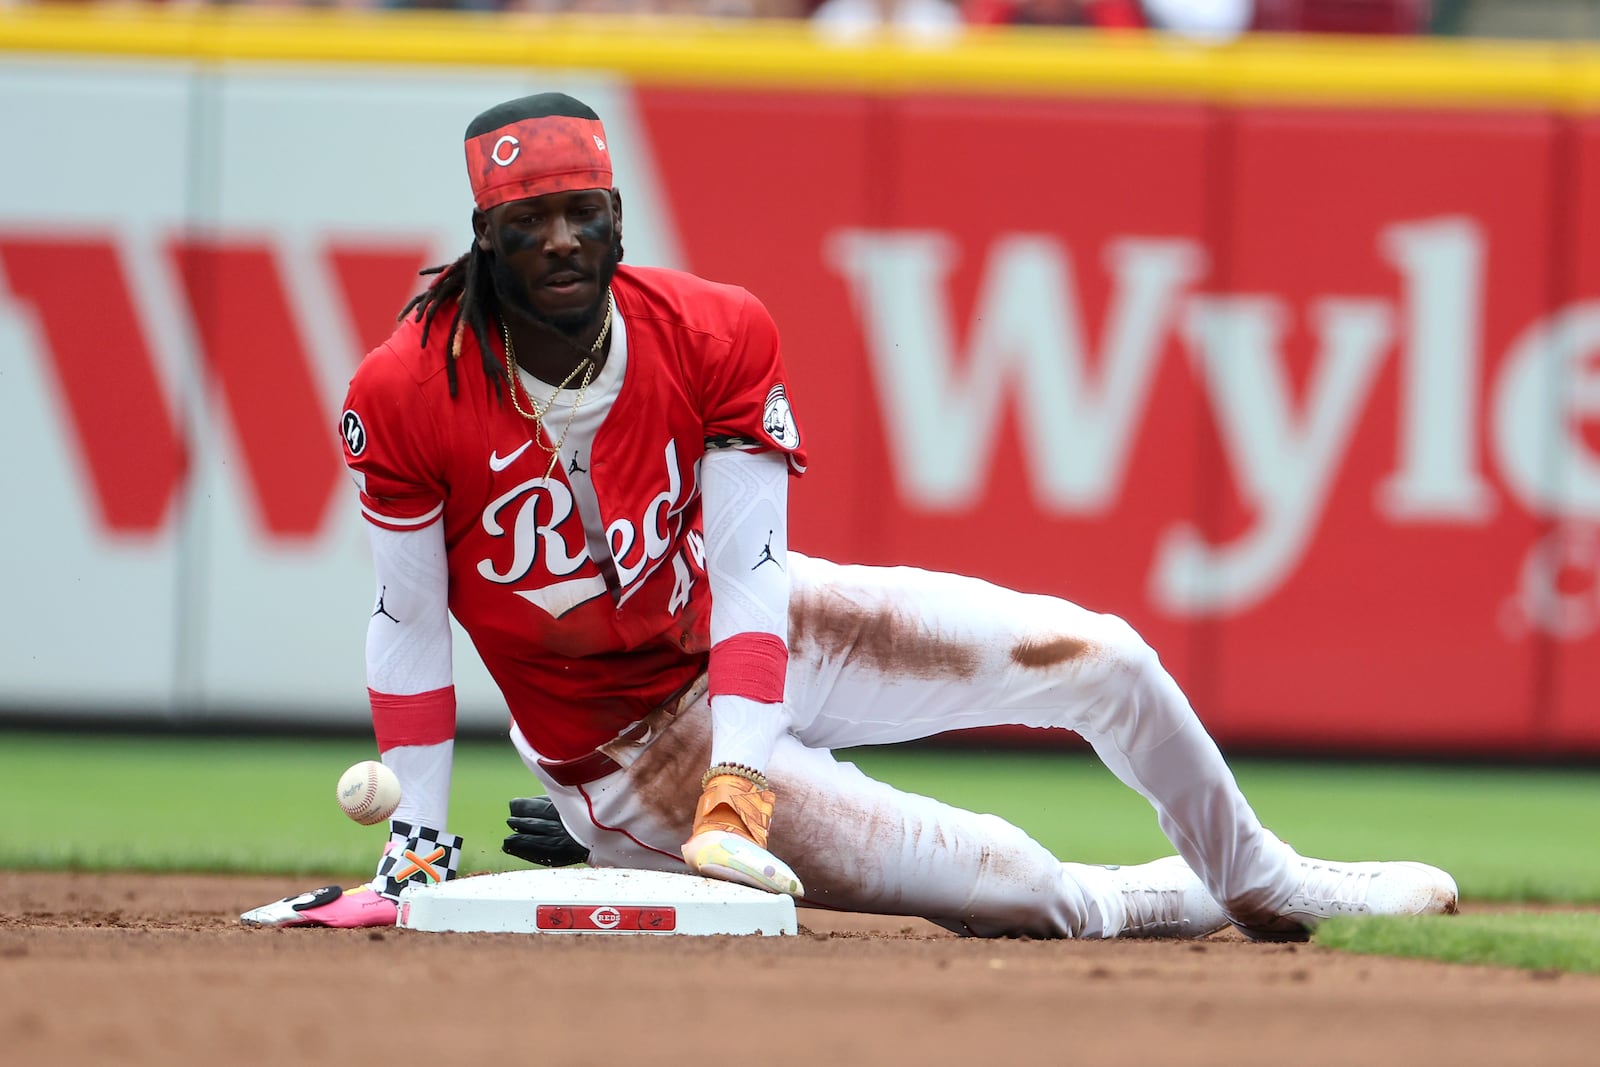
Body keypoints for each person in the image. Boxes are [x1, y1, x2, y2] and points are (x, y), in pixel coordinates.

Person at [242, 91, 1458, 940]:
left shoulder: (712, 329)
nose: (559, 241)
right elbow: (406, 616)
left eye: (583, 214)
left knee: (1106, 653)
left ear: (620, 220)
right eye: (525, 223)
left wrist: (742, 786)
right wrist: (417, 838)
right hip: (624, 748)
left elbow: (753, 571)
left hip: (741, 635)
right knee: (1025, 885)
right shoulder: (404, 389)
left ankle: (1263, 875)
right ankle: (1153, 896)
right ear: (483, 239)